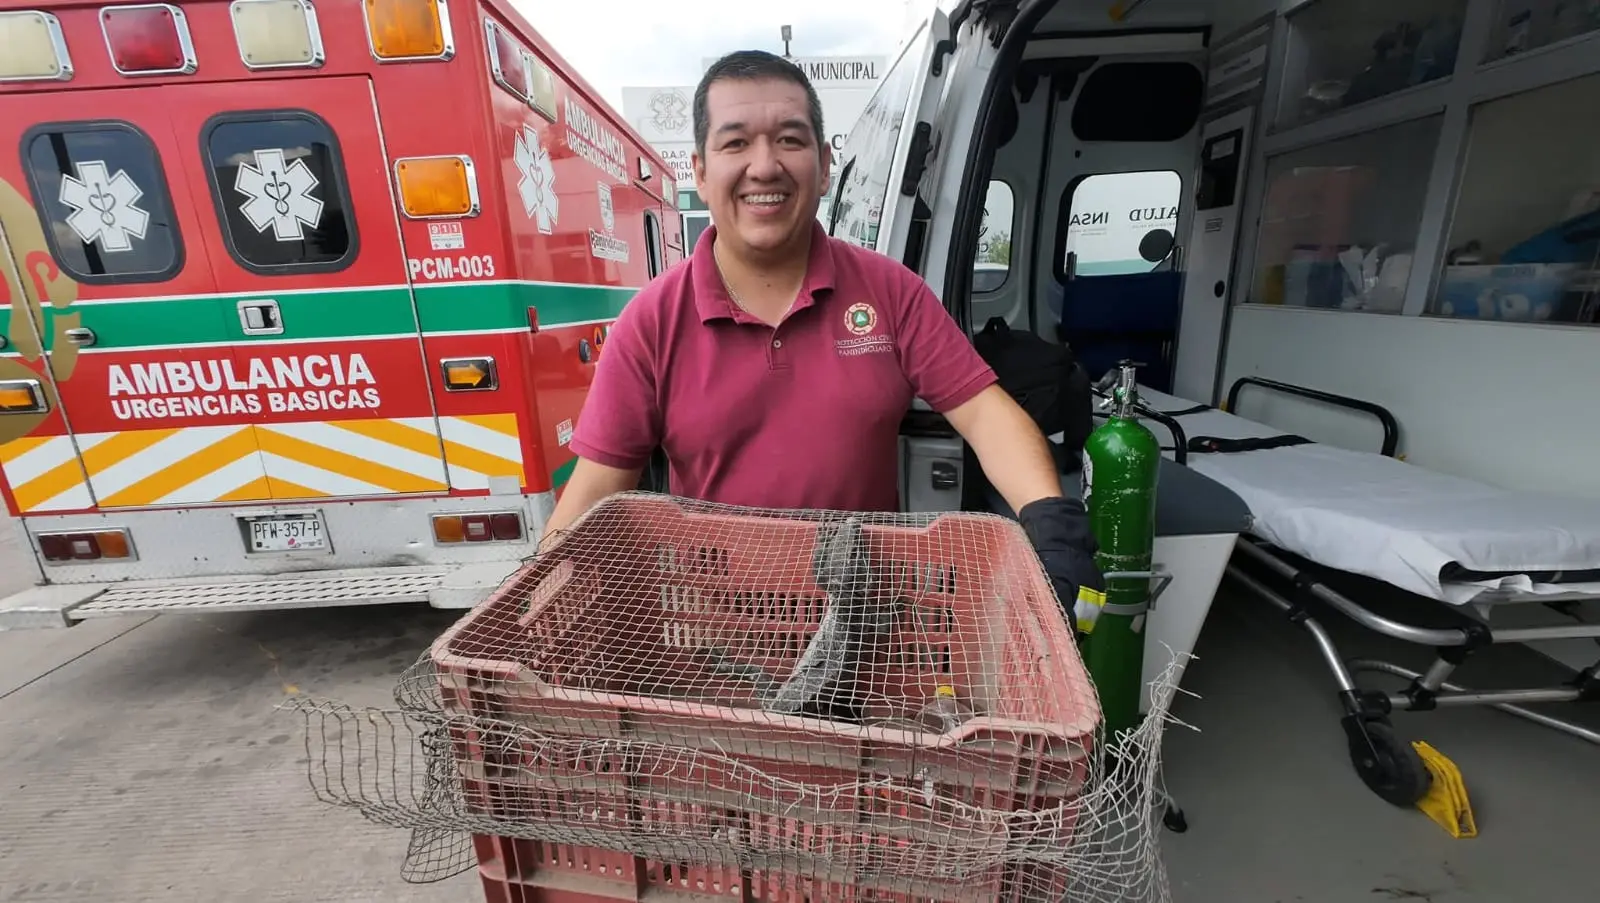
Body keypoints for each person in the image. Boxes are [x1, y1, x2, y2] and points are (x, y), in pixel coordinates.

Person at [541, 50, 1103, 623]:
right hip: (717, 640)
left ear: (826, 163)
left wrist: (1052, 520)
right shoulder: (652, 321)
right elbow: (597, 489)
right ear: (702, 173)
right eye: (735, 143)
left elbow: (986, 416)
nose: (764, 166)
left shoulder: (891, 292)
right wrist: (537, 591)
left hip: (865, 621)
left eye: (790, 139)